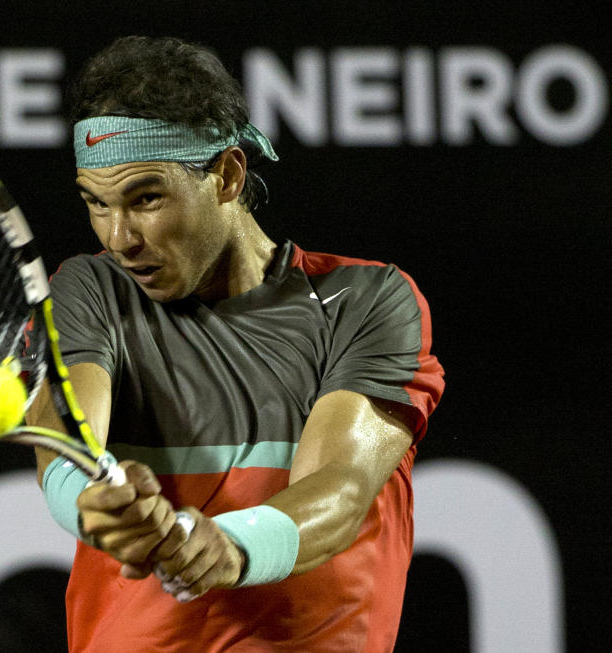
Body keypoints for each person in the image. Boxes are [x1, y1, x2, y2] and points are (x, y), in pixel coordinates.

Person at [28, 35, 444, 652]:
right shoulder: (92, 291)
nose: (118, 237)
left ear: (225, 174)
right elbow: (65, 439)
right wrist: (89, 499)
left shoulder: (364, 300)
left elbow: (342, 486)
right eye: (96, 203)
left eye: (145, 198)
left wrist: (235, 545)